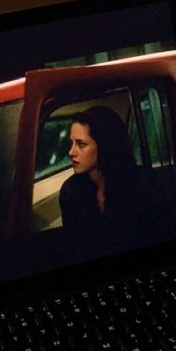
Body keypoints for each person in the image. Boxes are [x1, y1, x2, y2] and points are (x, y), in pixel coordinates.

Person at [58, 105, 143, 250]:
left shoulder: (140, 183)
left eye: (81, 144)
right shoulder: (70, 191)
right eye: (71, 143)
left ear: (104, 145)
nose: (71, 152)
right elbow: (73, 245)